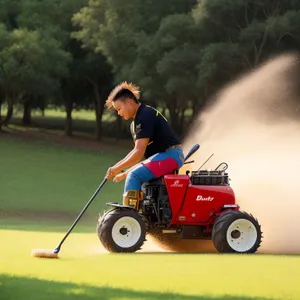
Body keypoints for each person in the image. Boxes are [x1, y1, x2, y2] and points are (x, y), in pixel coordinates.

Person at [105, 81, 184, 208]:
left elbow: (138, 153)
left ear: (129, 102)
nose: (119, 113)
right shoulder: (135, 123)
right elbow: (141, 156)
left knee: (134, 175)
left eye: (119, 109)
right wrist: (122, 172)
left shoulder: (145, 115)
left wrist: (117, 168)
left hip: (171, 155)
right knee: (135, 177)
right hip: (163, 157)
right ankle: (140, 215)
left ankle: (130, 215)